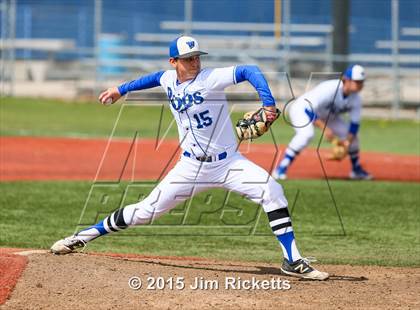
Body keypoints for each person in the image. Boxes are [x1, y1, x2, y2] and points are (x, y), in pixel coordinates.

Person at [51, 36, 328, 280]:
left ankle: (292, 260)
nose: (194, 62)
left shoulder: (210, 78)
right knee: (145, 211)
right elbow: (150, 79)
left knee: (273, 191)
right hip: (190, 166)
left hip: (228, 163)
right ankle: (82, 237)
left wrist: (268, 103)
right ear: (174, 61)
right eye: (187, 58)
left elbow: (249, 70)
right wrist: (120, 90)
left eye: (196, 57)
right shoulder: (168, 78)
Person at [272, 64, 373, 180]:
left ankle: (356, 170)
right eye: (357, 81)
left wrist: (346, 143)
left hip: (326, 116)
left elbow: (354, 124)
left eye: (362, 82)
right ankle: (280, 169)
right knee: (307, 134)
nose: (361, 85)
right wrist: (325, 129)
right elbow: (308, 110)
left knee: (353, 137)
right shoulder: (330, 88)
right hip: (301, 109)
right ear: (347, 80)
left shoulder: (356, 98)